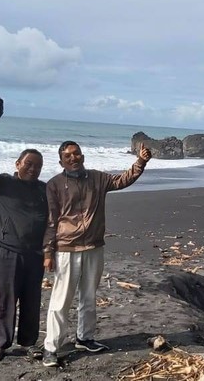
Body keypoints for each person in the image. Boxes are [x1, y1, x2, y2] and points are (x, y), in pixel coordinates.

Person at [41, 140, 152, 367]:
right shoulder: (54, 184)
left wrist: (141, 162)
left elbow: (122, 180)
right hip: (66, 248)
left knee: (89, 296)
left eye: (77, 153)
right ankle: (51, 348)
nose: (74, 158)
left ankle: (85, 338)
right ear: (61, 161)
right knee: (61, 301)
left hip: (94, 246)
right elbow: (51, 220)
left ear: (83, 155)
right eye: (68, 155)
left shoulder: (98, 178)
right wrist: (48, 252)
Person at [0, 120, 48, 362]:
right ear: (17, 164)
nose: (33, 169)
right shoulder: (4, 184)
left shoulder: (45, 190)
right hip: (8, 253)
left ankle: (28, 343)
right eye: (28, 164)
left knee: (32, 299)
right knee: (6, 299)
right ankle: (1, 344)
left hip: (35, 254)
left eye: (38, 166)